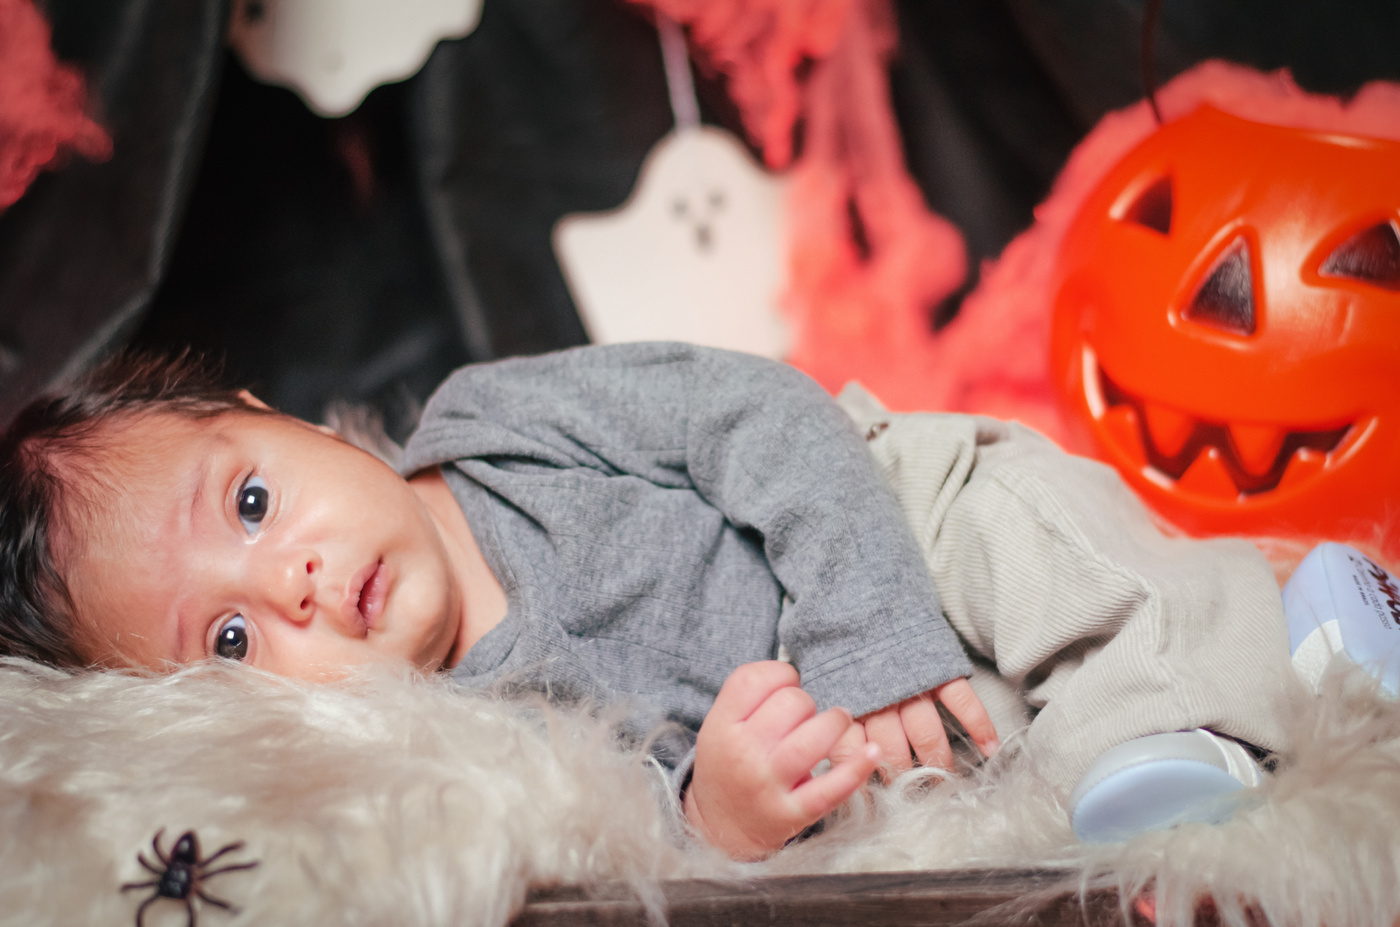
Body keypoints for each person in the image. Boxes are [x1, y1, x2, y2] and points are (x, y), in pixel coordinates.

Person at [0, 342, 1298, 856]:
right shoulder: (443, 750)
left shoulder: (495, 422)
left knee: (1030, 530)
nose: (290, 578)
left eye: (249, 501)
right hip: (867, 742)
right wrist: (707, 817)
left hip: (869, 519)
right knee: (976, 777)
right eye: (230, 638)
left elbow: (752, 410)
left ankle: (1180, 716)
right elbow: (617, 855)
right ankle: (1270, 681)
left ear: (270, 415)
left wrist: (864, 625)